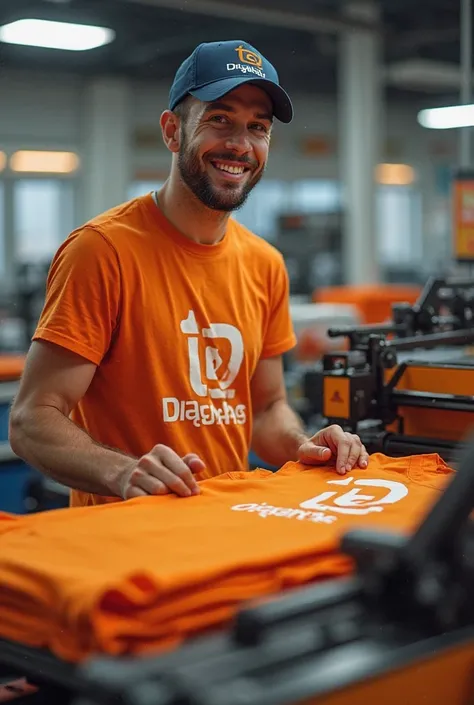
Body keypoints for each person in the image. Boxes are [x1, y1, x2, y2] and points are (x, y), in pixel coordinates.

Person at [9, 40, 368, 508]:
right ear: (172, 131)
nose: (240, 144)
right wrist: (123, 471)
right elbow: (32, 418)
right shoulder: (102, 251)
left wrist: (303, 443)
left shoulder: (265, 264)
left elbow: (265, 410)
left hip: (223, 531)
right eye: (220, 119)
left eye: (257, 127)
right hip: (122, 542)